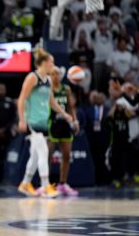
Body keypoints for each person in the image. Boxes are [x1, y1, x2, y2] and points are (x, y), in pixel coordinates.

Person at [17, 49, 73, 198]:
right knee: (44, 152)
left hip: (43, 121)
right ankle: (45, 185)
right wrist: (22, 119)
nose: (53, 64)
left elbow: (52, 102)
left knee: (35, 156)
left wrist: (65, 114)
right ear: (43, 63)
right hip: (32, 121)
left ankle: (25, 183)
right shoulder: (32, 78)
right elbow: (21, 99)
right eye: (51, 62)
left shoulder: (48, 80)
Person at [47, 66, 80, 196]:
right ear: (49, 75)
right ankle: (46, 184)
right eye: (54, 74)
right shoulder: (48, 89)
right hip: (52, 123)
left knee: (66, 155)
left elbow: (71, 107)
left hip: (65, 125)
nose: (56, 76)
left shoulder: (66, 89)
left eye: (58, 74)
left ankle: (62, 184)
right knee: (48, 155)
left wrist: (75, 121)